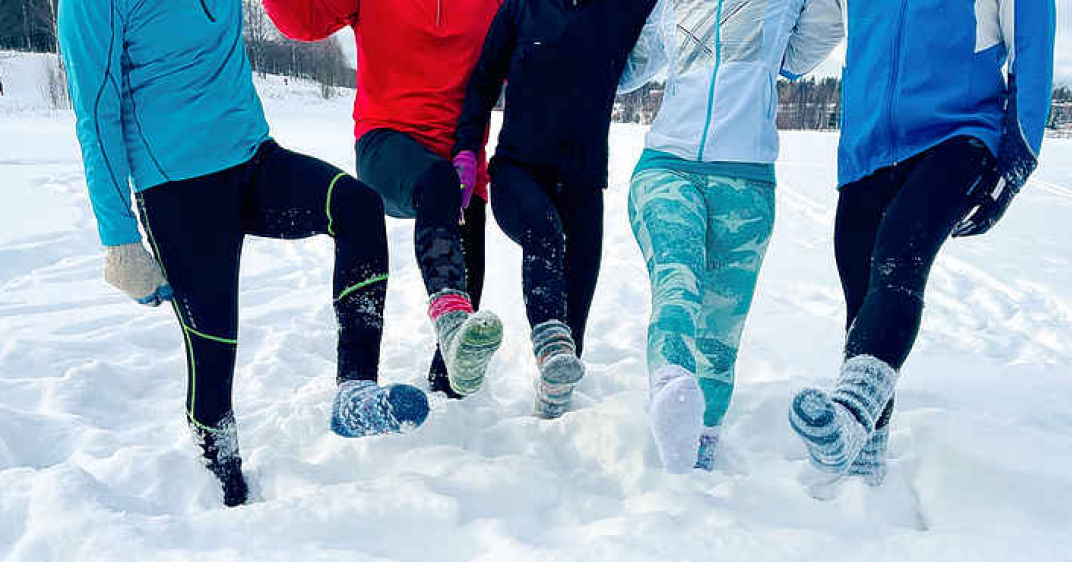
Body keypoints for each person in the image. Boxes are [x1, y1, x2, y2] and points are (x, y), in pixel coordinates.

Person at [58, 0, 430, 507]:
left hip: (255, 159)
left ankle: (355, 392)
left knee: (356, 206)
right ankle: (221, 482)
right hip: (178, 189)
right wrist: (119, 238)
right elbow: (94, 111)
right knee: (214, 351)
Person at [789, 0, 1056, 490]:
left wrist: (1016, 158)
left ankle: (849, 414)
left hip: (958, 131)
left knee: (898, 261)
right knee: (861, 292)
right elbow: (807, 36)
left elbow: (1032, 37)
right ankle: (864, 463)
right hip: (866, 148)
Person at [621, 0, 843, 473]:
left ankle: (702, 440)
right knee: (676, 279)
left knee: (721, 331)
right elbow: (630, 67)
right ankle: (671, 386)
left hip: (746, 182)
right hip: (667, 165)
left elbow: (812, 45)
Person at [263, 0, 505, 399]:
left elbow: (532, 52)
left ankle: (451, 396)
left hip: (462, 164)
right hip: (387, 145)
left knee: (460, 358)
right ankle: (446, 319)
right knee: (436, 181)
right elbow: (301, 22)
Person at [454, 0, 657, 418]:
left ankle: (553, 400)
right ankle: (548, 347)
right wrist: (465, 151)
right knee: (545, 232)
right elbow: (483, 81)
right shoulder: (523, 7)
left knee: (575, 324)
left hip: (583, 186)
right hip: (516, 173)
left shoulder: (623, 9)